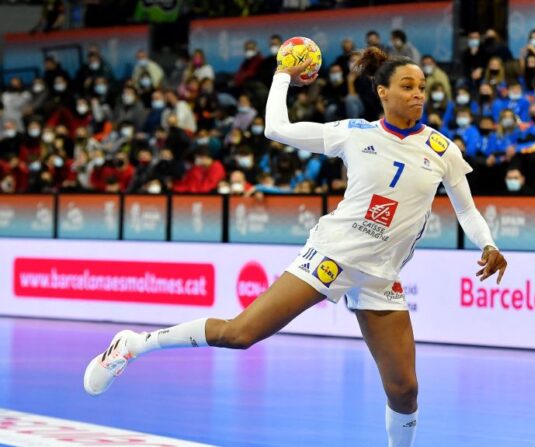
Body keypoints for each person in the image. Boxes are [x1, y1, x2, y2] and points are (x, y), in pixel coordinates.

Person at [83, 48, 508, 447]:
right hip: (332, 255)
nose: (418, 94)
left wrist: (487, 244)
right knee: (240, 333)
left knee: (405, 390)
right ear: (383, 92)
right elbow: (276, 129)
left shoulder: (441, 149)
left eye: (422, 87)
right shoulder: (354, 134)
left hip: (380, 275)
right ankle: (134, 345)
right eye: (408, 86)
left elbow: (467, 211)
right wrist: (282, 77)